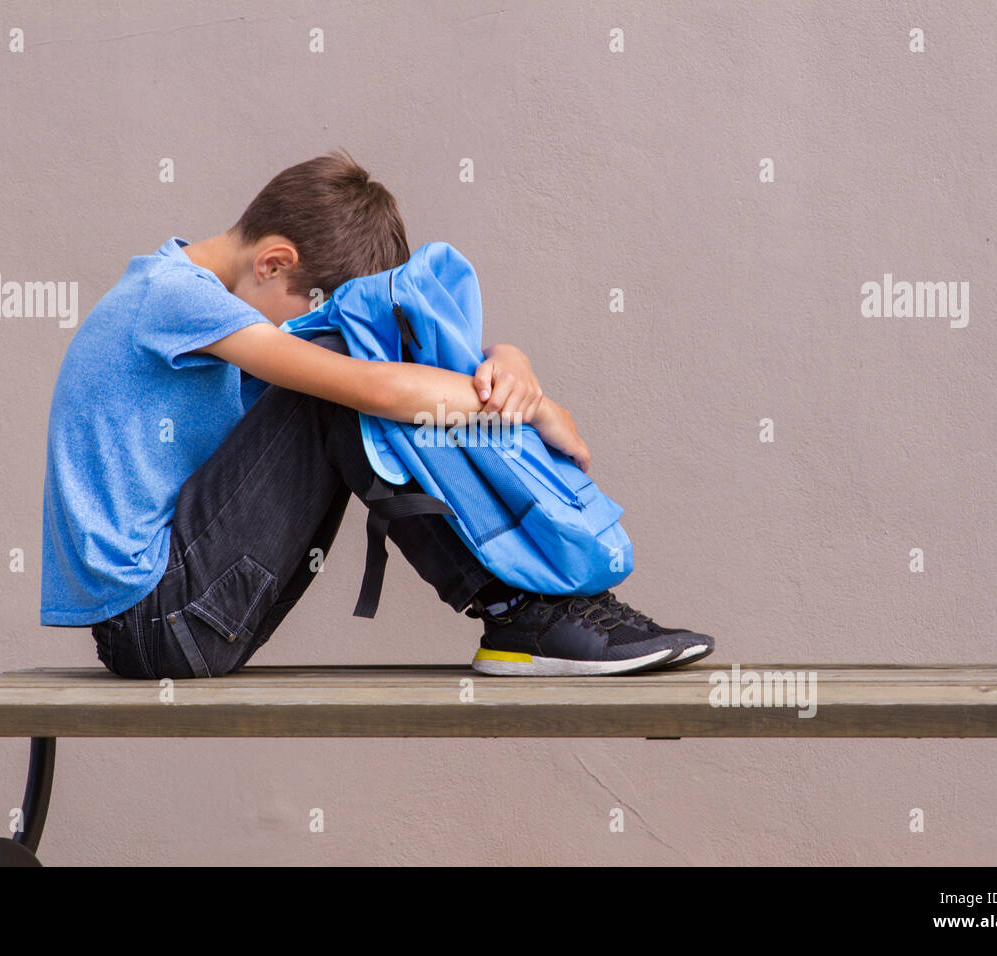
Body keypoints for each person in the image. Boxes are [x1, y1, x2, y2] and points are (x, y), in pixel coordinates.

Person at [39, 149, 714, 678]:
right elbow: (382, 390)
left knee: (357, 368)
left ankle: (540, 605)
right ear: (276, 262)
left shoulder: (208, 296)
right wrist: (530, 411)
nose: (307, 329)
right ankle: (520, 610)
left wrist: (510, 362)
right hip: (162, 621)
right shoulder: (173, 297)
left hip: (184, 614)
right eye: (313, 306)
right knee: (341, 372)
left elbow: (404, 376)